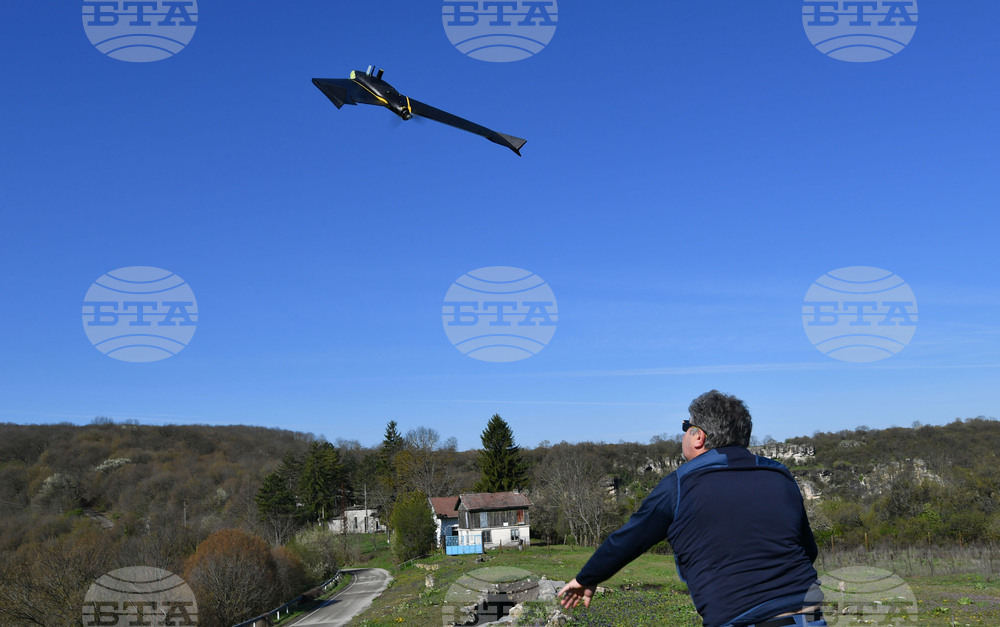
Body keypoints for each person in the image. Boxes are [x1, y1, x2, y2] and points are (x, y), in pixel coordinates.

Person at [557, 390, 825, 627]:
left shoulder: (681, 484)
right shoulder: (780, 475)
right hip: (810, 613)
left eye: (686, 425)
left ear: (699, 437)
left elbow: (629, 539)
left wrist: (585, 578)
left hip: (742, 617)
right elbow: (807, 549)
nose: (684, 431)